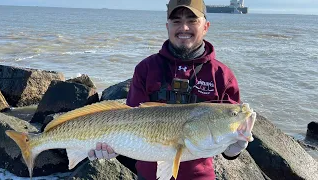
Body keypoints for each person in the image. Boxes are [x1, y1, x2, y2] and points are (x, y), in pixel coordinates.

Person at [88, 0, 249, 179]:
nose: (184, 28)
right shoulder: (146, 68)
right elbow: (128, 121)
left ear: (206, 26)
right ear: (167, 26)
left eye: (192, 20)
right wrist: (112, 148)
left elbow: (227, 149)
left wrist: (234, 148)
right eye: (176, 21)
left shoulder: (222, 76)